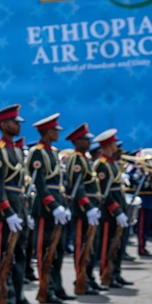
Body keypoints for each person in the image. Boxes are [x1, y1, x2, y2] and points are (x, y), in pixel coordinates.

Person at [0, 104, 36, 304]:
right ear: (4, 124)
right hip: (5, 212)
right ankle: (5, 298)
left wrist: (24, 213)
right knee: (5, 255)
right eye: (15, 122)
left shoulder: (14, 150)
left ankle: (18, 295)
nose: (18, 126)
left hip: (19, 207)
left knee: (20, 254)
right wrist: (8, 213)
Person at [27, 114, 73, 303]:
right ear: (46, 132)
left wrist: (63, 205)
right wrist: (53, 206)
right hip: (45, 208)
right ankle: (46, 288)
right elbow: (40, 183)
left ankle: (57, 286)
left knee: (58, 250)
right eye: (54, 130)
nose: (57, 133)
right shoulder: (37, 153)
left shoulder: (53, 152)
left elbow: (58, 183)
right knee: (45, 250)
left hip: (57, 204)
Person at [64, 124, 101, 294]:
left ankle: (89, 277)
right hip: (81, 209)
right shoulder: (76, 159)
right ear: (77, 141)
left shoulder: (84, 159)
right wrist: (87, 207)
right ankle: (81, 279)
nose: (89, 142)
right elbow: (77, 187)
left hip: (90, 207)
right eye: (85, 139)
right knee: (81, 245)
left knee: (91, 245)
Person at [91, 130, 130, 288]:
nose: (116, 146)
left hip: (119, 206)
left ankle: (116, 273)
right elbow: (105, 194)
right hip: (109, 212)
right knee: (108, 244)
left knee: (118, 243)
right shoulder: (102, 165)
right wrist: (117, 211)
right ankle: (105, 275)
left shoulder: (111, 163)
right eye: (114, 143)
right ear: (108, 145)